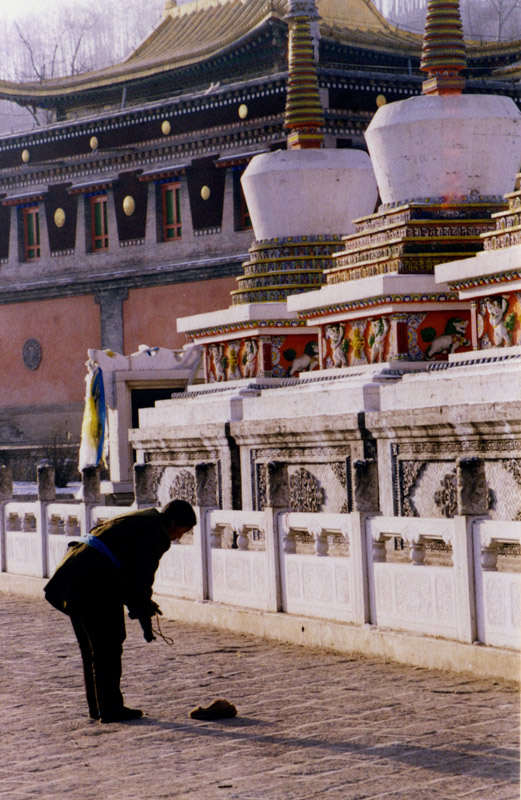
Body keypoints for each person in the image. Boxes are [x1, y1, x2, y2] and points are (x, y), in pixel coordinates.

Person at [44, 499, 196, 723]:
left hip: (72, 573)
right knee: (108, 644)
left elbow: (126, 569)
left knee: (91, 647)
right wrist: (143, 608)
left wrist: (142, 606)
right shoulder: (159, 533)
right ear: (174, 523)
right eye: (183, 531)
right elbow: (141, 577)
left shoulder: (145, 519)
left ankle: (99, 707)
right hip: (92, 579)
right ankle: (111, 708)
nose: (179, 537)